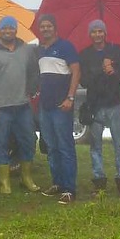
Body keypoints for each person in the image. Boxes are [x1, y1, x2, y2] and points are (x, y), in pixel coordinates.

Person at [0, 16, 40, 195]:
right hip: (0, 107)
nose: (8, 31)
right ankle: (4, 182)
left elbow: (34, 71)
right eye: (4, 28)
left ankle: (26, 178)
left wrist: (32, 89)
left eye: (11, 28)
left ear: (16, 30)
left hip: (23, 105)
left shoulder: (26, 49)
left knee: (28, 141)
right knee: (0, 143)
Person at [79, 19, 120, 197]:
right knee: (95, 146)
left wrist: (113, 69)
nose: (97, 34)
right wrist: (100, 70)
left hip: (114, 102)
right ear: (90, 34)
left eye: (100, 31)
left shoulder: (115, 50)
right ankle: (99, 181)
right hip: (95, 105)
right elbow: (83, 80)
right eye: (94, 31)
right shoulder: (84, 54)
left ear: (105, 33)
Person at [36, 14, 81, 205]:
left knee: (65, 146)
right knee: (51, 147)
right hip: (45, 106)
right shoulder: (40, 50)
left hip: (61, 105)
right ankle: (57, 183)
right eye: (42, 27)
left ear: (55, 28)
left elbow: (76, 71)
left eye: (48, 26)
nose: (45, 29)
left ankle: (69, 189)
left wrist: (70, 97)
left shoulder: (66, 46)